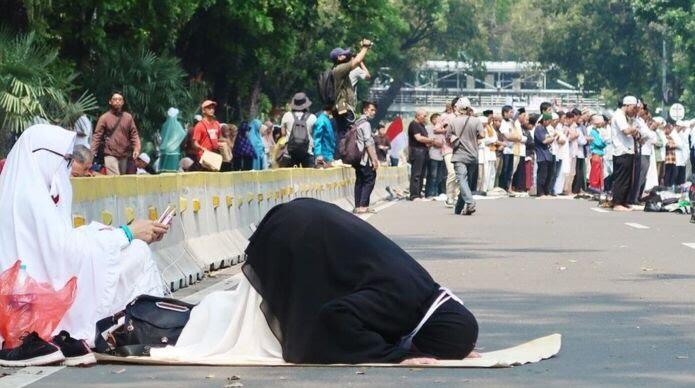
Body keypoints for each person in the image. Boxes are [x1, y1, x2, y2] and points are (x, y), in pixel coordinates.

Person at [151, 198, 478, 365]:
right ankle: (166, 326)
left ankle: (184, 319)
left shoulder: (423, 290)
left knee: (245, 313)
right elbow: (333, 317)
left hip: (303, 220)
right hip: (295, 236)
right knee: (255, 330)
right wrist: (396, 355)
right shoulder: (402, 305)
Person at [0, 124, 168, 366]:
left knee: (137, 252)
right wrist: (125, 233)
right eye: (64, 160)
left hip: (55, 277)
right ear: (44, 157)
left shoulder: (49, 187)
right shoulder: (26, 195)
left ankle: (141, 326)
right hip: (33, 295)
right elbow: (61, 251)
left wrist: (114, 235)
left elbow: (61, 243)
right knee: (131, 246)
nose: (67, 168)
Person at [329, 39, 373, 144]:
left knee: (342, 132)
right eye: (343, 54)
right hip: (344, 107)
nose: (346, 55)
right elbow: (357, 61)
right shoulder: (340, 69)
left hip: (340, 107)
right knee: (344, 134)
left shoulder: (336, 69)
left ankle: (338, 156)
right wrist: (365, 47)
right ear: (338, 58)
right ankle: (340, 156)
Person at [447, 98, 484, 215]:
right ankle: (459, 208)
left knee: (462, 180)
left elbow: (448, 137)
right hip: (473, 155)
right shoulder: (476, 121)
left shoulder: (453, 122)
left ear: (457, 108)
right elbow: (482, 135)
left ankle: (470, 202)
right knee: (466, 182)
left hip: (459, 156)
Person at [91, 92, 141, 175]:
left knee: (121, 180)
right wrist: (92, 153)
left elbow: (134, 134)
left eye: (120, 99)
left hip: (124, 155)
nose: (117, 101)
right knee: (114, 178)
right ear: (110, 102)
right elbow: (97, 136)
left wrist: (137, 148)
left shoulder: (128, 117)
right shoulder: (104, 118)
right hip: (110, 154)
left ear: (123, 102)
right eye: (115, 99)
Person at [610, 96, 639, 211]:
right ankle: (617, 203)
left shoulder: (624, 117)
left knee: (627, 178)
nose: (634, 110)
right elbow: (626, 130)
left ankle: (623, 201)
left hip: (627, 150)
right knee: (621, 178)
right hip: (622, 151)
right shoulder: (619, 116)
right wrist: (634, 128)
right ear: (627, 105)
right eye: (633, 107)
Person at [353, 101, 380, 214]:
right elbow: (368, 142)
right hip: (364, 157)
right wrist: (374, 159)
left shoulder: (356, 122)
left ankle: (358, 205)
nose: (374, 112)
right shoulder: (366, 124)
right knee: (369, 179)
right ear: (365, 110)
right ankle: (363, 205)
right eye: (371, 110)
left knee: (360, 180)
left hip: (356, 156)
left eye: (374, 110)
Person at [280, 93, 316, 168]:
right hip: (308, 152)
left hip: (290, 153)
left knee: (289, 179)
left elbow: (283, 134)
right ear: (306, 105)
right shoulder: (313, 117)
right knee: (309, 178)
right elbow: (315, 135)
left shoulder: (287, 115)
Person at [408, 109, 435, 200]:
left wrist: (430, 142)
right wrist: (431, 140)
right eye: (424, 116)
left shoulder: (422, 126)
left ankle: (418, 193)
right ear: (418, 115)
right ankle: (414, 195)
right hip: (417, 151)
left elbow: (425, 139)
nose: (425, 118)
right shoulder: (414, 124)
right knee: (416, 174)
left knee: (422, 174)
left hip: (424, 151)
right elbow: (418, 138)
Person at [192, 100, 222, 170]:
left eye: (213, 108)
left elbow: (219, 138)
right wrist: (202, 148)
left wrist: (222, 145)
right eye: (209, 108)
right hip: (204, 157)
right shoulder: (200, 125)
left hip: (215, 156)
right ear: (203, 111)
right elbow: (195, 143)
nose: (212, 110)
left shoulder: (217, 124)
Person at [534, 113, 556, 196]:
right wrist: (553, 138)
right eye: (548, 121)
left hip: (548, 154)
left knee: (548, 174)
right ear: (544, 120)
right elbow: (544, 141)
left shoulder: (545, 128)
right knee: (542, 175)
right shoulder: (539, 128)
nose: (549, 123)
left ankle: (546, 191)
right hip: (541, 155)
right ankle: (540, 192)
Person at [425, 113, 445, 199]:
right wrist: (437, 143)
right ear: (433, 120)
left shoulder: (442, 129)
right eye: (439, 119)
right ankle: (430, 193)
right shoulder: (429, 128)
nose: (441, 121)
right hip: (432, 155)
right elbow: (430, 140)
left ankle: (436, 193)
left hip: (441, 155)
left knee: (439, 176)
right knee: (432, 175)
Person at [588, 115, 607, 192]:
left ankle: (598, 186)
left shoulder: (596, 131)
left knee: (599, 171)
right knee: (595, 171)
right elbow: (598, 143)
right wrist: (605, 143)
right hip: (596, 153)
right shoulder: (593, 132)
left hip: (599, 153)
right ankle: (594, 186)